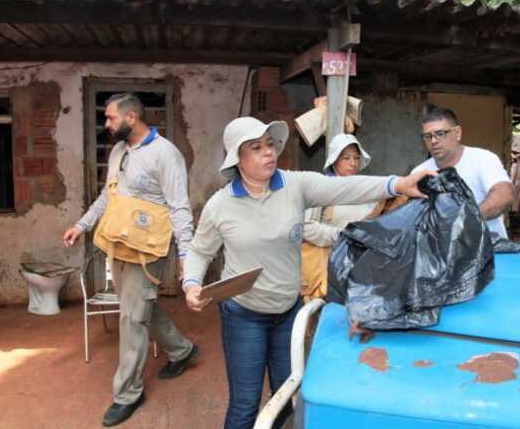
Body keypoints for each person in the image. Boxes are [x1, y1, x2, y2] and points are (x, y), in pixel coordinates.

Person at [182, 116, 436, 429]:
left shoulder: (295, 185)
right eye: (256, 147)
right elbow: (199, 251)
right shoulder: (220, 205)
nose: (268, 152)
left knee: (286, 396)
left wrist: (397, 184)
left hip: (288, 312)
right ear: (238, 159)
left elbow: (343, 188)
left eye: (270, 144)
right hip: (244, 315)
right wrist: (191, 283)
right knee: (245, 404)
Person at [62, 93, 199, 427]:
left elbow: (180, 207)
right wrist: (82, 225)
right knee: (139, 308)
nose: (106, 124)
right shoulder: (119, 151)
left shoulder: (166, 154)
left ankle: (128, 393)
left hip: (147, 250)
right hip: (119, 245)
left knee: (132, 319)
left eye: (110, 118)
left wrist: (187, 256)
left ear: (132, 117)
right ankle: (182, 351)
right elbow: (108, 196)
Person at [300, 133, 382, 301]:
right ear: (334, 160)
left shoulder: (367, 190)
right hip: (329, 266)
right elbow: (307, 227)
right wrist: (341, 235)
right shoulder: (322, 189)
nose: (352, 163)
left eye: (356, 158)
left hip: (361, 266)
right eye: (346, 158)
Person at [412, 105, 514, 238]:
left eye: (440, 134)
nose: (434, 141)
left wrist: (466, 219)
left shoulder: (483, 159)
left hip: (490, 250)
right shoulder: (419, 172)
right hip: (441, 254)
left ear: (458, 133)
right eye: (427, 136)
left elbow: (504, 194)